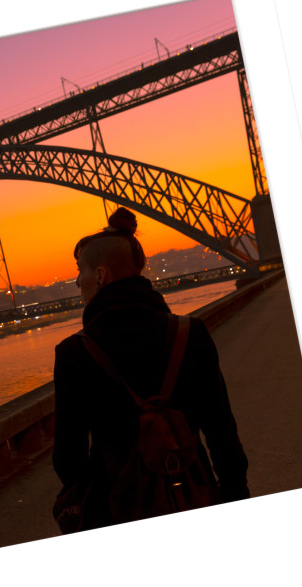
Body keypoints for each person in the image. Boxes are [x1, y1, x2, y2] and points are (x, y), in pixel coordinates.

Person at [51, 208, 249, 533]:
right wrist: (234, 496)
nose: (76, 282)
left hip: (115, 510)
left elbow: (68, 458)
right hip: (194, 494)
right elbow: (222, 432)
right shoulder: (191, 333)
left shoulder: (73, 353)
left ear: (100, 276)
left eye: (79, 271)